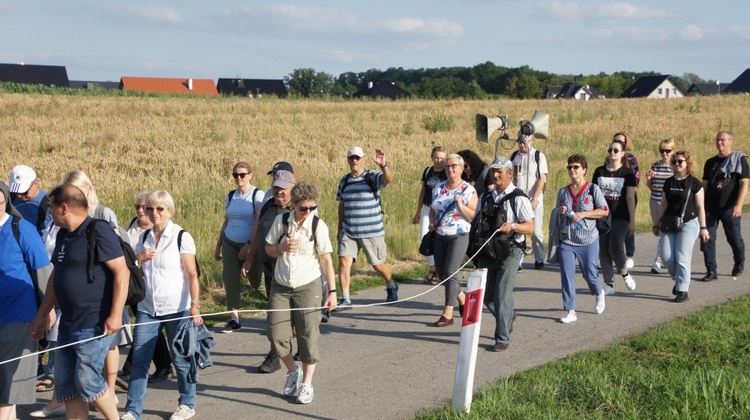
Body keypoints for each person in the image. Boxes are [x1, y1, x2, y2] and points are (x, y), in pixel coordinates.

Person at [30, 184, 128, 420]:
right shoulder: (64, 234)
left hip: (94, 322)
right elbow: (57, 276)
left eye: (51, 207)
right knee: (68, 389)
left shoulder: (98, 230)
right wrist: (42, 313)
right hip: (67, 324)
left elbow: (122, 272)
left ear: (64, 208)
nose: (49, 212)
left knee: (88, 382)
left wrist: (115, 315)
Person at [122, 190, 203, 420]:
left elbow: (192, 274)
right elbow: (135, 271)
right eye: (150, 209)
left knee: (181, 358)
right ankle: (132, 410)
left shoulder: (181, 237)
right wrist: (139, 259)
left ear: (169, 210)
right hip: (148, 308)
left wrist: (194, 306)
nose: (154, 213)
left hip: (177, 308)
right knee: (140, 359)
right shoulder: (144, 237)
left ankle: (187, 403)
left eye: (160, 209)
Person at [264, 181, 337, 404]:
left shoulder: (318, 226)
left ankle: (307, 384)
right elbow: (268, 248)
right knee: (275, 335)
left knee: (307, 335)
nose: (307, 212)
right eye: (303, 208)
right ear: (293, 204)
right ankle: (292, 371)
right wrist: (281, 248)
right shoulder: (281, 221)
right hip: (281, 286)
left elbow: (325, 259)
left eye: (312, 208)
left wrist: (332, 292)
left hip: (309, 286)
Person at [62, 169, 132, 398]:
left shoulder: (102, 216)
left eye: (78, 190)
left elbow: (117, 263)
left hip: (102, 301)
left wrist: (115, 311)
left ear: (88, 189)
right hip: (75, 311)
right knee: (77, 373)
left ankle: (108, 391)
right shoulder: (66, 224)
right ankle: (90, 395)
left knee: (107, 348)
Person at [1, 181, 51, 420]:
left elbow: (43, 272)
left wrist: (46, 311)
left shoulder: (21, 228)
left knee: (8, 384)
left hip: (17, 315)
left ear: (6, 202)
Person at [475, 157, 534, 351]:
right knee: (487, 296)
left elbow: (530, 227)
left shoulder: (519, 197)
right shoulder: (485, 197)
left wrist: (513, 226)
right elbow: (476, 219)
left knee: (501, 294)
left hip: (511, 250)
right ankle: (508, 315)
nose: (496, 174)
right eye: (494, 171)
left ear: (510, 174)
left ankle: (502, 338)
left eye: (500, 171)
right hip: (489, 250)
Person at [117, 190, 173, 390]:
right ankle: (156, 366)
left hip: (157, 289)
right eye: (139, 207)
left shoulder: (161, 232)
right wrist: (137, 258)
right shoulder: (131, 227)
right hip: (134, 286)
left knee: (148, 328)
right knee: (148, 329)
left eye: (145, 208)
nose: (142, 211)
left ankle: (148, 367)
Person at [243, 169, 296, 374]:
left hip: (289, 271)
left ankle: (275, 355)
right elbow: (258, 234)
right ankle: (285, 347)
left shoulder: (299, 210)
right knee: (278, 313)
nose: (279, 191)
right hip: (268, 268)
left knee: (277, 315)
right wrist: (250, 259)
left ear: (292, 188)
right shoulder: (267, 205)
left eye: (283, 188)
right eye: (276, 187)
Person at [336, 147, 396, 308]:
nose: (354, 161)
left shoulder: (372, 176)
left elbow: (389, 179)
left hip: (372, 231)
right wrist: (339, 228)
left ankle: (391, 285)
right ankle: (346, 298)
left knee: (377, 265)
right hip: (349, 231)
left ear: (363, 159)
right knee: (343, 261)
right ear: (348, 160)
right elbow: (341, 205)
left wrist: (383, 165)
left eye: (357, 158)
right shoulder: (345, 181)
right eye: (351, 158)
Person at [553, 155, 609, 323]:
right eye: (570, 167)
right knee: (567, 276)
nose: (572, 170)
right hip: (567, 240)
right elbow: (556, 213)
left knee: (590, 274)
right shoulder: (563, 191)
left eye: (576, 167)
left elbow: (604, 211)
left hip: (588, 240)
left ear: (584, 170)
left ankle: (599, 292)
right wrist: (561, 212)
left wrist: (585, 213)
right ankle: (571, 310)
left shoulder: (593, 189)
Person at [652, 151, 709, 302]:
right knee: (666, 257)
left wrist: (703, 228)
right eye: (675, 161)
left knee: (682, 257)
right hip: (669, 223)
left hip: (689, 223)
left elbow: (700, 207)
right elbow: (663, 204)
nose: (677, 164)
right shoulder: (669, 182)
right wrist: (656, 223)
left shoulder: (694, 183)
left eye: (680, 161)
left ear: (687, 163)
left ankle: (683, 290)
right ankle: (679, 279)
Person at [215, 162, 264, 333]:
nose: (239, 178)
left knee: (257, 281)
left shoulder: (257, 195)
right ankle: (234, 318)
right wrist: (219, 244)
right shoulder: (230, 196)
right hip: (230, 241)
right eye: (235, 175)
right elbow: (227, 220)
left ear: (250, 175)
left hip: (251, 243)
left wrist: (250, 245)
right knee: (230, 279)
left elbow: (258, 221)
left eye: (242, 174)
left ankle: (278, 309)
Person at [428, 154, 476, 326]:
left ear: (462, 168)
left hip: (459, 234)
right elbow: (433, 208)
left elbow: (473, 216)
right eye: (448, 166)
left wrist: (460, 205)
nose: (450, 169)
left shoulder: (468, 190)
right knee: (442, 274)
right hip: (440, 234)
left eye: (454, 166)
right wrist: (432, 222)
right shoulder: (438, 188)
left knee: (451, 272)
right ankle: (463, 297)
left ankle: (448, 312)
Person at [700, 130, 748, 281]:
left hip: (729, 207)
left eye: (723, 140)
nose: (719, 142)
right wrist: (700, 205)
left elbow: (745, 183)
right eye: (717, 140)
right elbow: (704, 185)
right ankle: (711, 270)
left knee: (734, 239)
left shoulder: (739, 160)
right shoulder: (710, 162)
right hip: (710, 207)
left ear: (731, 141)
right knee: (707, 238)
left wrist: (739, 205)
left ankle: (739, 261)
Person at [593, 139, 637, 295]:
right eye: (610, 149)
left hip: (620, 216)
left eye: (616, 150)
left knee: (616, 248)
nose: (612, 152)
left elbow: (630, 198)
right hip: (602, 216)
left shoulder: (628, 173)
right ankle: (609, 284)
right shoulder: (599, 172)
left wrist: (632, 221)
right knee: (603, 251)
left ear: (623, 153)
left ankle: (625, 273)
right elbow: (594, 195)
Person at [511, 134, 549, 270]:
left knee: (536, 232)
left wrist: (535, 198)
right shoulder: (515, 156)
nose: (522, 145)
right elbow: (512, 178)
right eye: (520, 142)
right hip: (519, 200)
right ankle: (518, 261)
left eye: (525, 142)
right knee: (519, 231)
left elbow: (541, 178)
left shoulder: (538, 156)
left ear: (532, 141)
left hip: (534, 200)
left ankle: (539, 259)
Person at [413, 146, 447, 285]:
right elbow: (422, 192)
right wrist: (418, 212)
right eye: (436, 157)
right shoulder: (427, 171)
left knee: (440, 241)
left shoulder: (447, 172)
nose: (439, 161)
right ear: (432, 158)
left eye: (442, 158)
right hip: (428, 208)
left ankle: (440, 271)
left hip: (441, 211)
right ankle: (433, 268)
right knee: (424, 239)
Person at [610, 133, 640, 269]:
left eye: (621, 141)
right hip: (612, 196)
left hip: (628, 194)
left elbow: (636, 177)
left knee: (627, 224)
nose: (617, 144)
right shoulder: (609, 157)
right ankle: (609, 254)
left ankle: (629, 254)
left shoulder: (631, 159)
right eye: (616, 141)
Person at [645, 139, 675, 274]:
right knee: (659, 231)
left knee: (663, 232)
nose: (665, 154)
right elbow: (651, 187)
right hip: (655, 201)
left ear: (673, 151)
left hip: (668, 203)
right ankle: (665, 256)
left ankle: (658, 261)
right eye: (662, 150)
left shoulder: (675, 166)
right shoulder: (655, 166)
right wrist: (649, 179)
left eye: (668, 151)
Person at [9, 165, 52, 235]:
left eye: (24, 192)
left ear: (35, 184)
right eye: (15, 192)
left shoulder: (48, 205)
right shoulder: (9, 198)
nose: (19, 196)